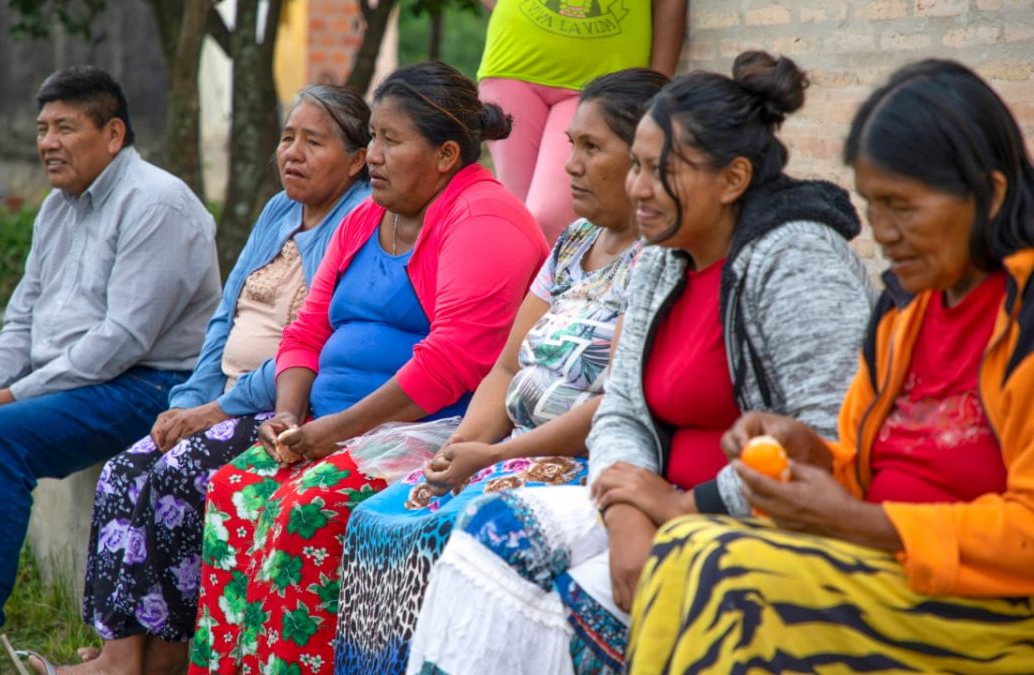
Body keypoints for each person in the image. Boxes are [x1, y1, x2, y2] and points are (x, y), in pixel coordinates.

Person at [407, 51, 877, 675]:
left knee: (562, 603)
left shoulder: (796, 261)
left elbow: (828, 437)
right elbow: (624, 405)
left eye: (659, 170)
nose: (637, 188)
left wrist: (683, 509)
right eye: (636, 167)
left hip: (756, 517)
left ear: (733, 180)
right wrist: (627, 513)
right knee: (491, 538)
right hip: (653, 500)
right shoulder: (663, 255)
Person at [625, 59, 1034, 675]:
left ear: (991, 193)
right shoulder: (906, 314)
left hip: (992, 610)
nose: (884, 233)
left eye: (904, 207)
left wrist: (865, 523)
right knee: (684, 548)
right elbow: (865, 465)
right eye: (874, 206)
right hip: (884, 569)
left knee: (723, 573)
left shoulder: (1022, 320)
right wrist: (809, 458)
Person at [189, 61, 549, 675]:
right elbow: (306, 330)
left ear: (446, 155)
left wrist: (334, 432)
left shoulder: (484, 221)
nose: (373, 155)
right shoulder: (365, 217)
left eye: (390, 140)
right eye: (374, 136)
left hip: (429, 434)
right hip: (331, 427)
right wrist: (286, 413)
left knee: (306, 506)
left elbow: (450, 364)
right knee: (236, 488)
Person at [19, 85, 371, 675]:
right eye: (288, 138)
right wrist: (189, 400)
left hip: (280, 405)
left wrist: (217, 411)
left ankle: (169, 654)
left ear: (357, 160)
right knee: (123, 471)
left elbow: (306, 345)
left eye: (315, 142)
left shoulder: (356, 220)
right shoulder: (278, 210)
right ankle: (119, 653)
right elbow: (225, 315)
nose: (293, 153)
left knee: (178, 475)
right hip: (222, 396)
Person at [334, 67, 668, 675]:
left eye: (592, 148)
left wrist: (487, 461)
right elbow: (507, 365)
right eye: (572, 146)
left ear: (649, 159)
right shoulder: (573, 243)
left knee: (450, 532)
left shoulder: (661, 262)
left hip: (576, 461)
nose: (570, 165)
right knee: (376, 522)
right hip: (504, 446)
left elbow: (612, 404)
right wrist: (462, 447)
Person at [0, 66, 220, 675]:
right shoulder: (56, 208)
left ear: (113, 132)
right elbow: (20, 320)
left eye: (66, 128)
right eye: (43, 128)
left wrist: (12, 397)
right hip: (78, 381)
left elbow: (121, 341)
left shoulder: (157, 203)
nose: (47, 142)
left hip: (154, 384)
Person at [477, 0, 688, 243]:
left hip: (605, 78)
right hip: (512, 65)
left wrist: (657, 80)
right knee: (514, 221)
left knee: (548, 218)